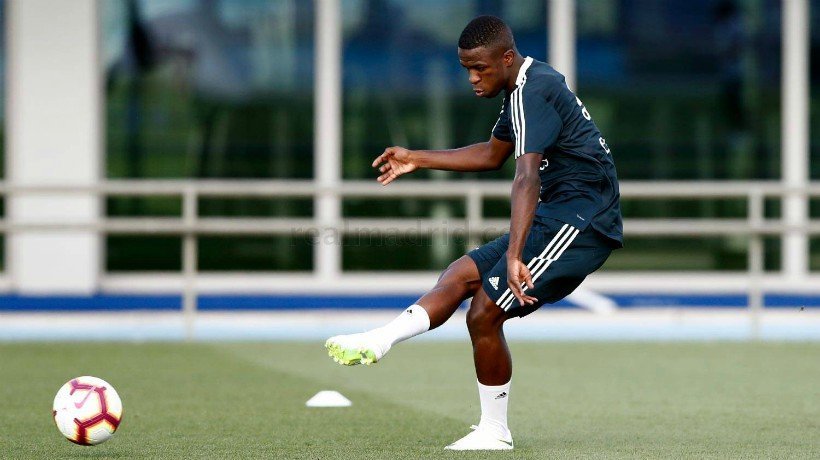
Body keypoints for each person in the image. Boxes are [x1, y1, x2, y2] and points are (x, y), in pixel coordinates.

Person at [325, 15, 622, 451]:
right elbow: (490, 154)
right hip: (558, 216)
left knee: (484, 312)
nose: (472, 77)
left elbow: (525, 178)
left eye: (480, 68)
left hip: (582, 221)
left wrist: (515, 254)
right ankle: (381, 339)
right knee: (459, 273)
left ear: (506, 58)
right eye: (466, 67)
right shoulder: (523, 87)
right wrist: (418, 159)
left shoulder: (533, 92)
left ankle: (495, 432)